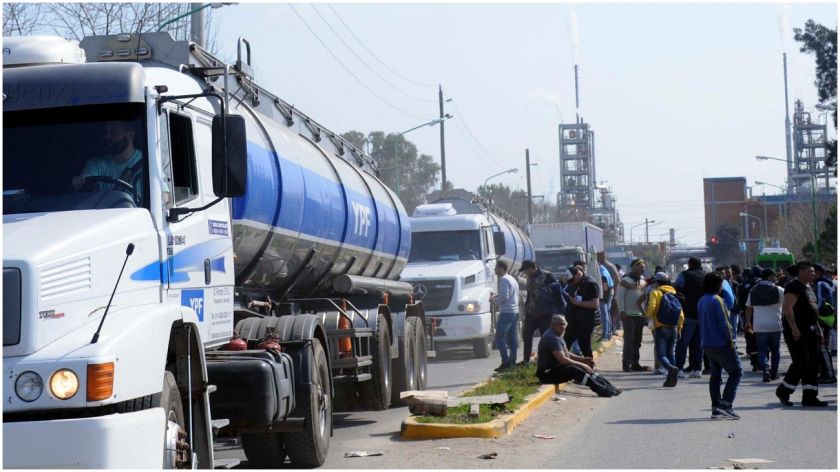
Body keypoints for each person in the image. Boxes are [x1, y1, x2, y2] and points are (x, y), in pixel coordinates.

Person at [776, 262, 830, 407]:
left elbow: (813, 312)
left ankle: (810, 396)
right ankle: (784, 390)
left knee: (813, 364)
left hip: (812, 331)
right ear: (800, 272)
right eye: (809, 271)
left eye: (813, 272)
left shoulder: (809, 287)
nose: (813, 274)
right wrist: (794, 329)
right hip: (798, 332)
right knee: (800, 363)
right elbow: (787, 309)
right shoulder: (793, 286)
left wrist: (819, 330)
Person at [536, 314, 622, 397]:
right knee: (574, 369)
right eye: (559, 324)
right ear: (552, 325)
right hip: (546, 374)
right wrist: (582, 364)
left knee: (584, 368)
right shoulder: (552, 338)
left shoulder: (557, 335)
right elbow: (562, 359)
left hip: (555, 369)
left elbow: (566, 354)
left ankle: (610, 388)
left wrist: (583, 359)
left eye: (564, 324)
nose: (562, 327)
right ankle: (602, 390)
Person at [698, 272, 743, 419]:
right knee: (736, 372)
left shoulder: (702, 300)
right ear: (718, 285)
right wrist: (731, 342)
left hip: (707, 344)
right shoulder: (718, 300)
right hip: (722, 344)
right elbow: (725, 324)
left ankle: (716, 407)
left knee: (715, 376)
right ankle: (726, 404)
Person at [71, 120, 143, 197]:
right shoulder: (96, 164)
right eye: (106, 132)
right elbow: (85, 180)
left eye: (113, 132)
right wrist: (79, 181)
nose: (107, 136)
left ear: (130, 135)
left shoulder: (145, 162)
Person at [520, 260, 566, 364]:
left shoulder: (547, 276)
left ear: (532, 268)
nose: (525, 273)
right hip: (531, 313)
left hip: (545, 314)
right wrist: (526, 307)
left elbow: (557, 293)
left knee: (545, 337)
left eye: (526, 270)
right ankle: (526, 360)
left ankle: (546, 359)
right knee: (527, 335)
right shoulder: (529, 278)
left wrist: (558, 311)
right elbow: (529, 294)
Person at [645, 272, 685, 387]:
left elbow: (652, 307)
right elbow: (681, 314)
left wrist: (648, 315)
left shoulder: (655, 292)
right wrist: (679, 328)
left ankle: (670, 368)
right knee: (670, 353)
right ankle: (671, 379)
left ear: (657, 282)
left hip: (661, 328)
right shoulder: (674, 293)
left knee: (661, 355)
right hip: (673, 327)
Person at [744, 269, 785, 382]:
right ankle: (774, 372)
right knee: (775, 350)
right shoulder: (779, 290)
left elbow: (748, 307)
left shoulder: (754, 290)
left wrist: (748, 322)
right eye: (774, 276)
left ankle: (765, 368)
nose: (776, 278)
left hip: (759, 325)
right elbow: (787, 306)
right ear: (769, 277)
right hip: (775, 324)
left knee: (762, 349)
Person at [674, 257, 705, 379]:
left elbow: (675, 287)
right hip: (701, 315)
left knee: (682, 343)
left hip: (687, 314)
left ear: (690, 264)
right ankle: (697, 369)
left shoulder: (684, 275)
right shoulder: (705, 276)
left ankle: (679, 369)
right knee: (698, 344)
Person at [617, 258, 650, 372]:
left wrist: (645, 313)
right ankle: (626, 364)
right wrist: (622, 311)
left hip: (640, 315)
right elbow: (619, 297)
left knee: (637, 341)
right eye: (641, 266)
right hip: (628, 315)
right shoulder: (625, 280)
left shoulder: (643, 282)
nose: (643, 269)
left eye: (644, 267)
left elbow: (645, 300)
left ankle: (635, 364)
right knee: (629, 341)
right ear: (634, 267)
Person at [563, 265, 601, 359]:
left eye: (573, 280)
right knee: (564, 345)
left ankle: (590, 369)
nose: (572, 283)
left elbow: (594, 304)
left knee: (585, 348)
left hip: (584, 323)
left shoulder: (591, 284)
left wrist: (577, 303)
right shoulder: (575, 283)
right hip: (574, 322)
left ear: (578, 274)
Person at [492, 261, 519, 372]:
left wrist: (493, 300)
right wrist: (497, 296)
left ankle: (505, 361)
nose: (495, 270)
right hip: (514, 312)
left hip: (506, 312)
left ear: (501, 268)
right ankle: (512, 362)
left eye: (496, 268)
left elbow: (505, 296)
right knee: (512, 339)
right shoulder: (511, 279)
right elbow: (510, 294)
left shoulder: (503, 279)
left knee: (499, 337)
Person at [814, 264, 837, 384]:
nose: (811, 274)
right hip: (826, 319)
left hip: (821, 320)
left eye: (813, 272)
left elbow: (819, 301)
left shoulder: (820, 284)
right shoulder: (826, 282)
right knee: (822, 347)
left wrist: (814, 315)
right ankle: (824, 373)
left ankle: (829, 374)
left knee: (823, 348)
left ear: (818, 272)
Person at [598, 252, 621, 338]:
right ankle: (610, 331)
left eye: (598, 256)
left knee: (609, 312)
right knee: (608, 312)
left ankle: (610, 331)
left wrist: (614, 293)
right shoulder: (604, 266)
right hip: (609, 292)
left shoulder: (608, 266)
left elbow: (617, 279)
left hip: (609, 292)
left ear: (602, 256)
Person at [598, 257, 616, 341]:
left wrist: (600, 296)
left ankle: (605, 334)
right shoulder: (603, 269)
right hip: (610, 291)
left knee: (604, 313)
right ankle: (609, 333)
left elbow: (604, 288)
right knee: (607, 312)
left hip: (606, 293)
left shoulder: (601, 273)